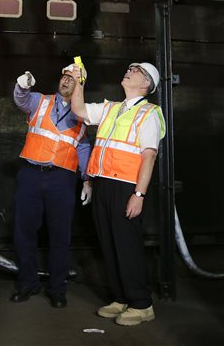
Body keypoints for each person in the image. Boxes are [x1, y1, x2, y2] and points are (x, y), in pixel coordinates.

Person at [71, 62, 166, 326]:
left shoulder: (149, 113)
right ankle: (121, 297)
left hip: (127, 187)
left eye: (136, 70)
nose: (129, 70)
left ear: (146, 84)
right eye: (130, 67)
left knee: (126, 245)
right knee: (109, 244)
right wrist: (79, 81)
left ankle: (142, 304)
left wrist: (139, 194)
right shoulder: (111, 108)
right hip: (102, 184)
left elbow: (149, 157)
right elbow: (78, 110)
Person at [10, 64, 91, 308]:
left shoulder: (83, 115)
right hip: (31, 175)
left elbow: (83, 147)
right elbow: (21, 99)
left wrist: (87, 179)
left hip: (62, 180)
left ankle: (57, 289)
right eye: (64, 76)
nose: (66, 80)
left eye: (72, 79)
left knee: (60, 237)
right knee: (24, 233)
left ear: (80, 86)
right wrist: (22, 85)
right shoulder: (40, 101)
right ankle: (27, 283)